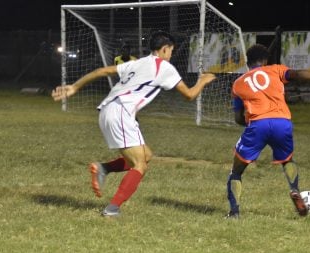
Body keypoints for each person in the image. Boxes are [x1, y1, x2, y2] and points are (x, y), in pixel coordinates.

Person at [51, 31, 216, 217]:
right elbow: (189, 95)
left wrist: (75, 87)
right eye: (170, 50)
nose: (171, 54)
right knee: (139, 164)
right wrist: (202, 81)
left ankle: (102, 168)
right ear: (164, 49)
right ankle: (112, 209)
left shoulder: (138, 62)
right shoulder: (165, 67)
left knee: (146, 155)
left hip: (108, 110)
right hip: (120, 113)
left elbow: (102, 71)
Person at [225, 44, 310, 218]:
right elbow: (298, 74)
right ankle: (294, 189)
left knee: (236, 171)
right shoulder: (276, 70)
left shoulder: (238, 84)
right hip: (282, 122)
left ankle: (234, 213)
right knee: (287, 160)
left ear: (247, 62)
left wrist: (251, 123)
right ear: (265, 61)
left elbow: (238, 118)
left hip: (258, 124)